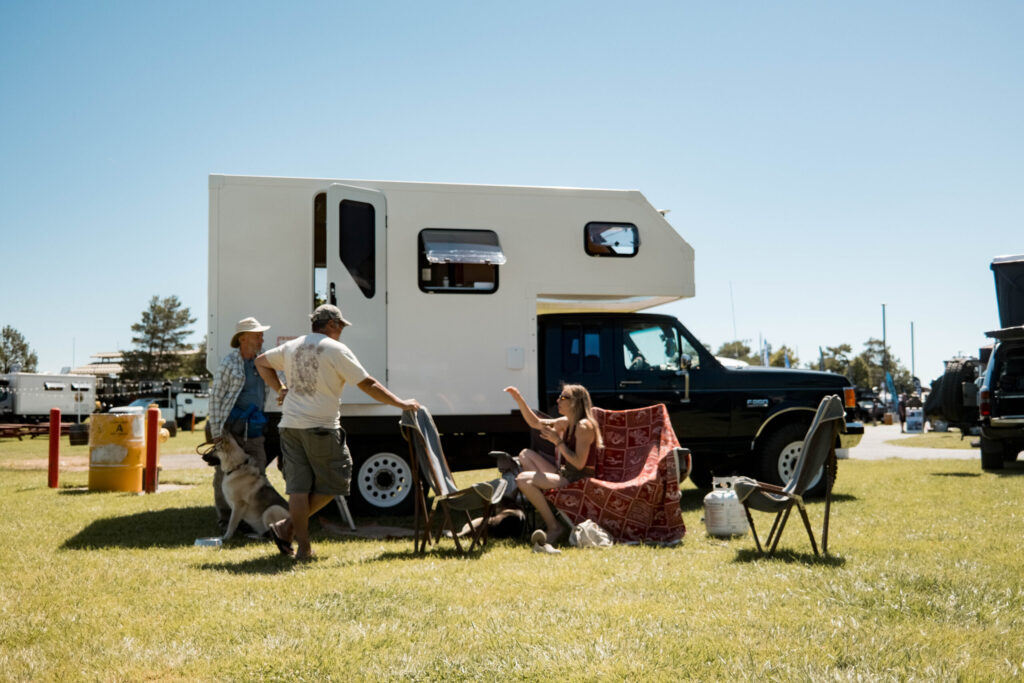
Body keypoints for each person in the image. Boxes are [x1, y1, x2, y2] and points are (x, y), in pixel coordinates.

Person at [255, 304, 419, 559]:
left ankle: (302, 547)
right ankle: (288, 528)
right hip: (320, 427)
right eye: (341, 325)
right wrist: (401, 403)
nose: (342, 330)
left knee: (298, 489)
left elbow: (261, 362)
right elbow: (368, 383)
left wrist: (280, 389)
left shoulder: (292, 346)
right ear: (331, 323)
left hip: (290, 426)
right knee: (337, 482)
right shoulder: (335, 349)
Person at [503, 383, 602, 546]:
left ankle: (554, 527)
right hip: (565, 473)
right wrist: (519, 399)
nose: (558, 400)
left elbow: (579, 464)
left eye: (563, 397)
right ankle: (546, 501)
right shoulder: (566, 422)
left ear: (574, 402)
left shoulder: (584, 426)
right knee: (525, 455)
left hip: (578, 479)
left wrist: (558, 441)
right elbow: (535, 423)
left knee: (523, 480)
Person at [208, 316, 273, 531]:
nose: (261, 339)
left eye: (261, 335)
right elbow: (216, 398)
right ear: (243, 338)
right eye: (257, 335)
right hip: (231, 431)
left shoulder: (264, 360)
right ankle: (225, 521)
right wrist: (217, 432)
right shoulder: (229, 363)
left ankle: (255, 520)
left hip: (254, 428)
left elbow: (280, 378)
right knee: (224, 475)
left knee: (258, 472)